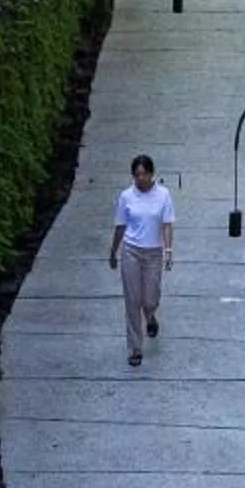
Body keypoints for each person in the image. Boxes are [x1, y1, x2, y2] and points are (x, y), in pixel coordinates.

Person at [108, 154, 176, 369]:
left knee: (150, 299)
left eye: (144, 174)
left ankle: (151, 317)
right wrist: (113, 251)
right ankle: (135, 348)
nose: (141, 178)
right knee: (132, 301)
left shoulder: (163, 195)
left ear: (152, 173)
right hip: (131, 252)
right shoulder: (126, 196)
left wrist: (168, 250)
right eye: (137, 175)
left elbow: (167, 224)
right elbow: (120, 225)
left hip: (154, 253)